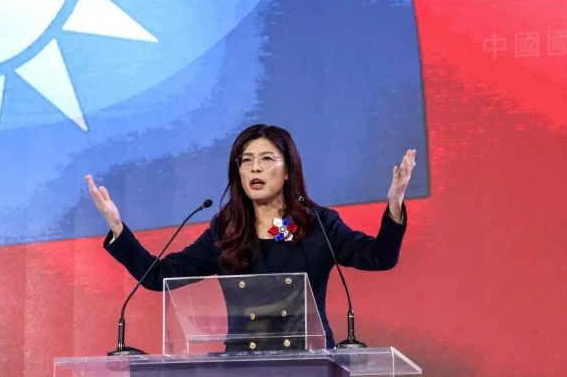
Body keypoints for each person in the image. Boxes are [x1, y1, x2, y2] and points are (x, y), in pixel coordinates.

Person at [86, 124, 415, 351]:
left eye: (266, 159)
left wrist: (395, 206)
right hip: (244, 363)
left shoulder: (320, 226)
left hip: (310, 362)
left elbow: (379, 257)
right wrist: (118, 228)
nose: (255, 168)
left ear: (288, 171)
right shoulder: (225, 230)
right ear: (238, 172)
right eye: (246, 161)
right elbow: (158, 276)